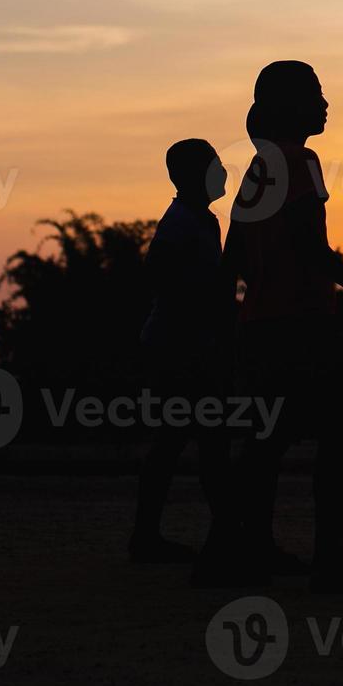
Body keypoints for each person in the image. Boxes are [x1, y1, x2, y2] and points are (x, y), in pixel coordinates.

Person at [223, 60, 343, 593]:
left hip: (261, 325)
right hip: (303, 322)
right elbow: (310, 246)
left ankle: (252, 548)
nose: (326, 103)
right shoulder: (303, 162)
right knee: (338, 434)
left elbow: (233, 257)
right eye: (317, 93)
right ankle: (327, 560)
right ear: (290, 105)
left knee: (267, 442)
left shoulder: (257, 170)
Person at [132, 139, 234, 567]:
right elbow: (160, 273)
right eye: (215, 164)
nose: (223, 171)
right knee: (201, 441)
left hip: (187, 345)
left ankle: (151, 536)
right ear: (190, 176)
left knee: (182, 441)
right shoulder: (180, 223)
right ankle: (223, 535)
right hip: (177, 348)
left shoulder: (203, 221)